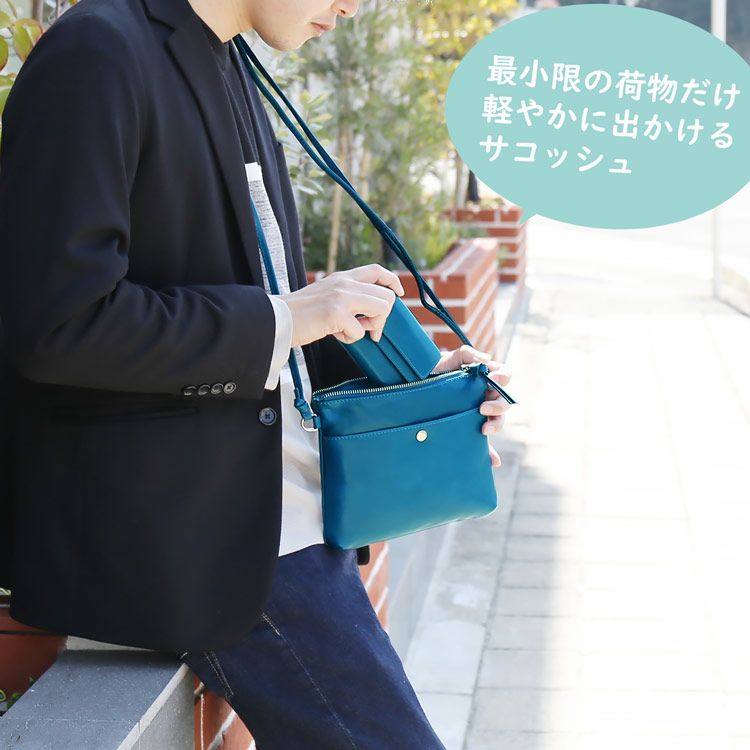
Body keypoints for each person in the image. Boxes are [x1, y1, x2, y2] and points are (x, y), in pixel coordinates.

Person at [0, 0, 513, 746]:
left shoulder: (229, 59)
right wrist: (291, 316)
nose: (352, 6)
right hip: (209, 540)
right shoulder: (97, 53)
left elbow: (258, 307)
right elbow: (60, 324)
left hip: (278, 521)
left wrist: (424, 379)